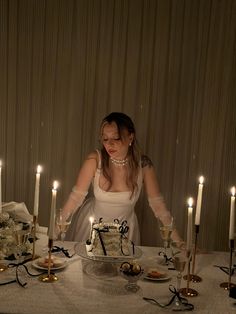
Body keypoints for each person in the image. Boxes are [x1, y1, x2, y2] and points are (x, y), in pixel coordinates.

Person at [62, 112, 182, 244]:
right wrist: (54, 233)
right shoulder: (94, 160)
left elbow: (159, 206)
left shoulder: (144, 165)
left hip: (125, 234)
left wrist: (179, 242)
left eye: (116, 138)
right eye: (105, 139)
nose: (109, 144)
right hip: (92, 230)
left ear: (130, 137)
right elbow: (75, 198)